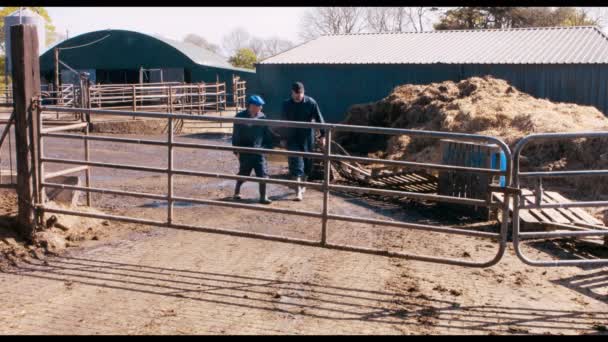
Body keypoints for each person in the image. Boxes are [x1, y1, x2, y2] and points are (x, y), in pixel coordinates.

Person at [281, 82, 325, 201]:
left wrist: (323, 135)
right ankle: (298, 191)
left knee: (307, 164)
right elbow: (283, 123)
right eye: (296, 94)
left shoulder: (311, 103)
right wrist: (283, 138)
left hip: (307, 138)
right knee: (296, 164)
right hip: (292, 137)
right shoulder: (286, 104)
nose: (298, 96)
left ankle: (303, 183)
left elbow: (319, 118)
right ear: (292, 92)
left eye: (300, 93)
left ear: (303, 92)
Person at [232, 95, 274, 205]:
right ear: (251, 106)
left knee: (263, 173)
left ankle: (263, 196)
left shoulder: (262, 117)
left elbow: (267, 134)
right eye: (258, 106)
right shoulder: (240, 117)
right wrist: (236, 151)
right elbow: (236, 135)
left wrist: (267, 148)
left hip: (259, 150)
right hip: (245, 150)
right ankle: (237, 191)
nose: (260, 108)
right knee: (244, 172)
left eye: (261, 106)